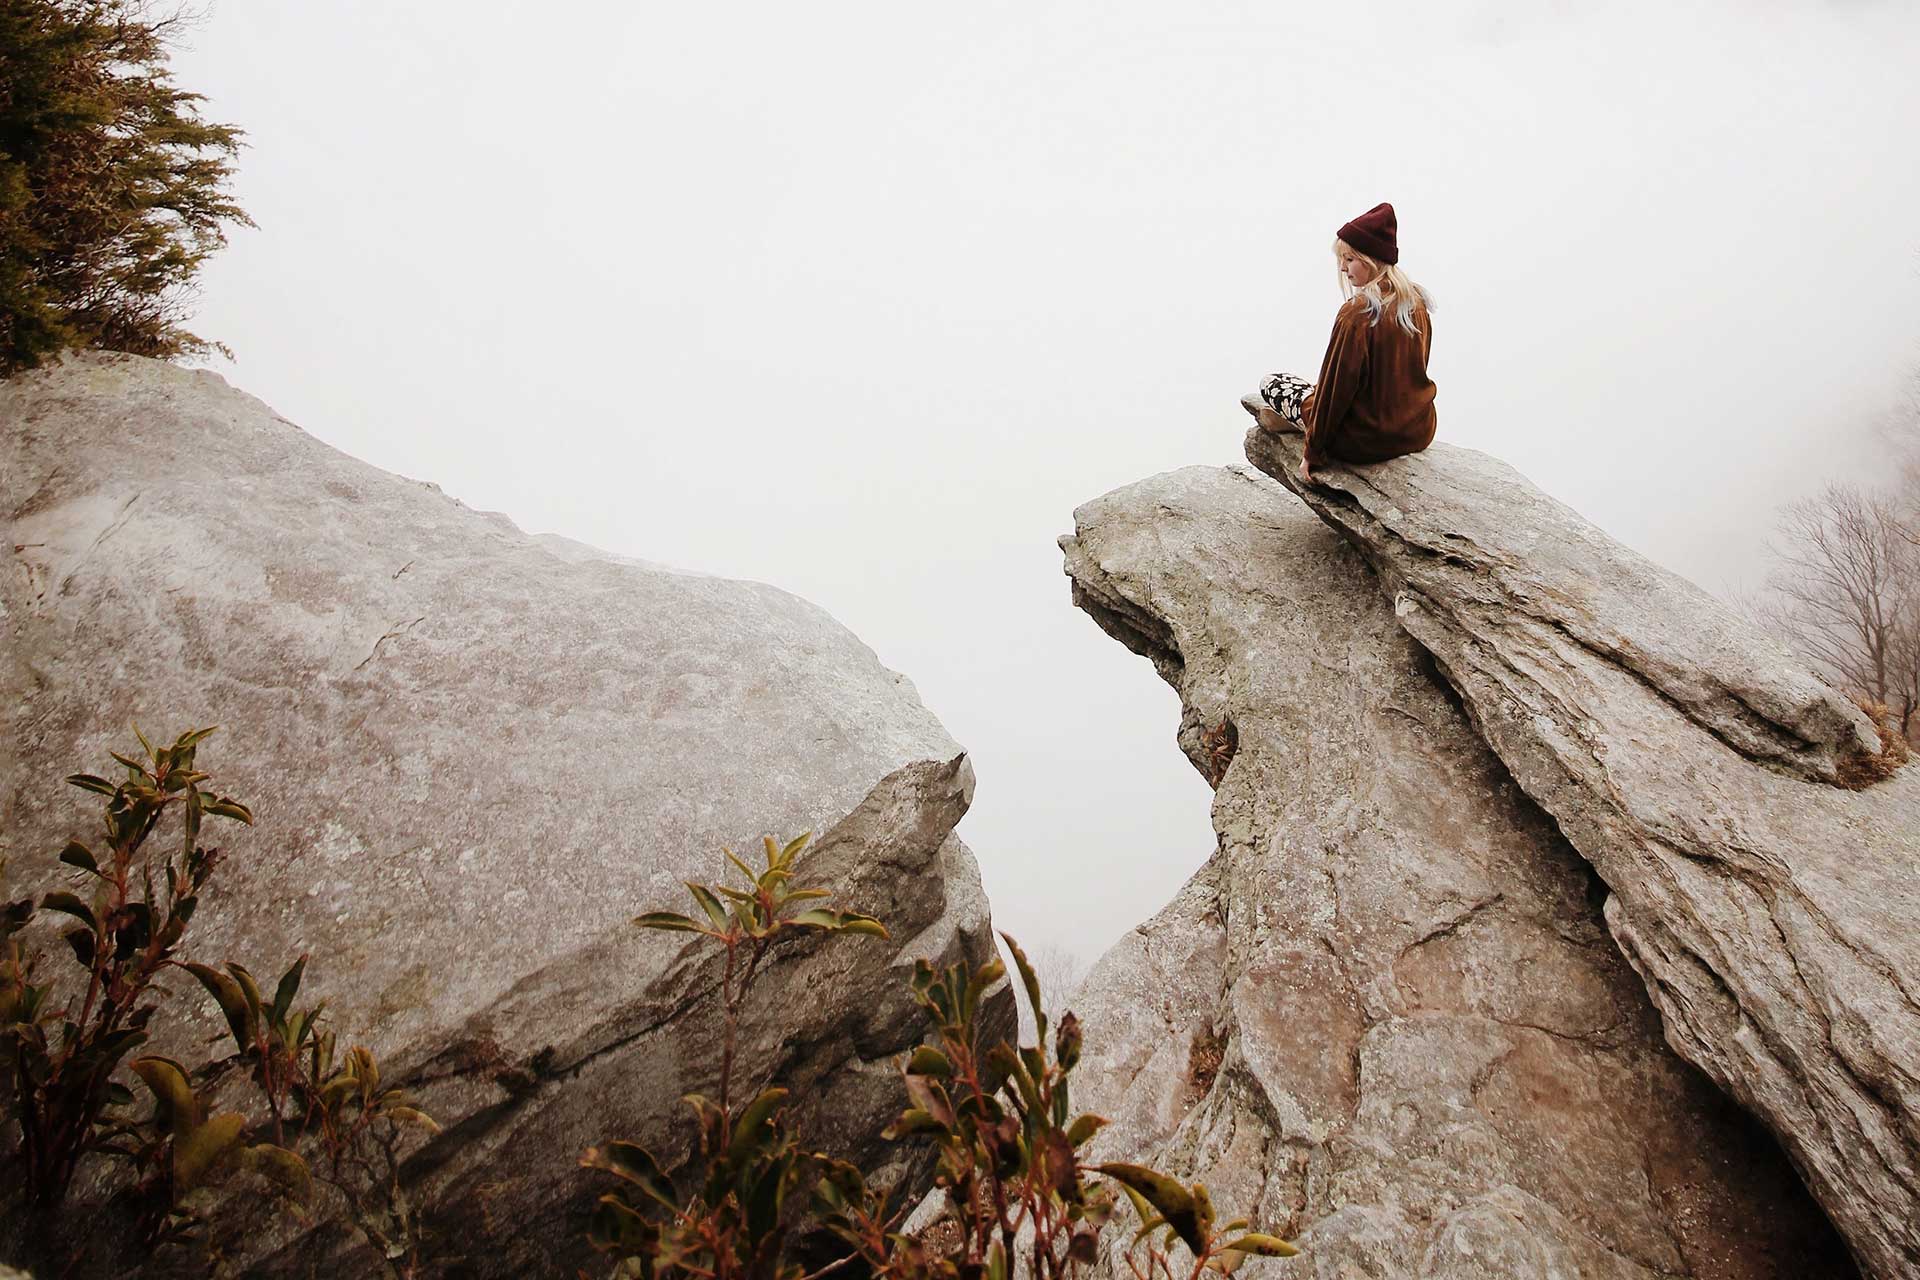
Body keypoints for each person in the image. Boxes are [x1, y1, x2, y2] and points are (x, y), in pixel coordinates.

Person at [1256, 202, 1437, 482]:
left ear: (1371, 258)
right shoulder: (1416, 303)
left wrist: (1312, 452)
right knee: (1317, 392)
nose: (1342, 268)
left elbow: (1336, 390)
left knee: (1274, 383)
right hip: (1416, 431)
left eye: (1349, 259)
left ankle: (1302, 424)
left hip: (1362, 441)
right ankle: (1302, 420)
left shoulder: (1357, 314)